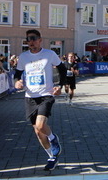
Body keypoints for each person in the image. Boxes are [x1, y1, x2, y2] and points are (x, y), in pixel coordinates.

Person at [14, 30, 68, 171]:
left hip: (46, 95)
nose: (31, 42)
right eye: (28, 39)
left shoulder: (49, 54)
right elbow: (17, 73)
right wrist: (17, 81)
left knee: (40, 125)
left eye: (33, 38)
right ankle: (52, 156)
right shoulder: (23, 57)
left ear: (40, 40)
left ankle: (53, 138)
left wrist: (60, 86)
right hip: (30, 97)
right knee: (38, 132)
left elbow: (62, 69)